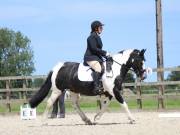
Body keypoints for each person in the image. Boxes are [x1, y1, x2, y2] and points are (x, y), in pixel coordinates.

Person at [83, 20, 110, 94]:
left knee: (106, 66)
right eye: (100, 27)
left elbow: (98, 50)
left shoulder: (97, 36)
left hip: (96, 57)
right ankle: (96, 87)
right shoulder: (91, 37)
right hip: (90, 57)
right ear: (95, 28)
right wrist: (105, 52)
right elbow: (94, 49)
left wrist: (106, 56)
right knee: (98, 68)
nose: (102, 28)